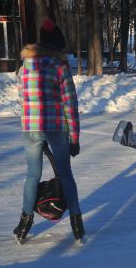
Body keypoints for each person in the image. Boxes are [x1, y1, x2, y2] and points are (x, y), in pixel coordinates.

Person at [14, 19, 85, 243]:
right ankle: (77, 225)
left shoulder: (23, 68)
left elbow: (23, 100)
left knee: (32, 175)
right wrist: (74, 138)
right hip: (55, 127)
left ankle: (25, 224)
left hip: (31, 128)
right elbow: (70, 106)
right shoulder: (60, 67)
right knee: (65, 174)